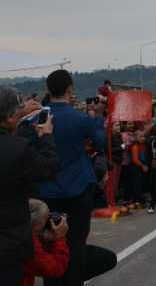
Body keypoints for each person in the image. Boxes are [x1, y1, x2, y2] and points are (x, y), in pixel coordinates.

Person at [38, 70, 106, 286]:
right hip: (77, 188)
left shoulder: (39, 119)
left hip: (47, 190)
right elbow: (101, 144)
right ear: (70, 89)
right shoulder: (81, 118)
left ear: (48, 90)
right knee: (76, 244)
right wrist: (97, 118)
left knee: (51, 244)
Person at [0, 87, 59, 286]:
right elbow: (49, 169)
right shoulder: (18, 148)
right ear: (9, 117)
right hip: (9, 245)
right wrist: (46, 136)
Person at [22, 199, 70, 286]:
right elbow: (54, 268)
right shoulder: (26, 242)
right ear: (35, 224)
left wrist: (41, 239)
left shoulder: (12, 229)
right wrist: (59, 239)